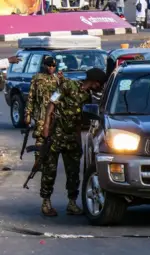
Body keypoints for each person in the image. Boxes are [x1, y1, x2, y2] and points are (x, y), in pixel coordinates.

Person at [39, 68, 107, 217]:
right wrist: (45, 126)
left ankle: (72, 203)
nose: (99, 87)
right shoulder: (68, 85)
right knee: (49, 170)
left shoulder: (87, 97)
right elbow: (52, 103)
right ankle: (46, 202)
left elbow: (80, 122)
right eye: (99, 84)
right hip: (56, 135)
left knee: (73, 173)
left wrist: (78, 140)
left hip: (71, 138)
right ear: (94, 82)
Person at [24, 56, 59, 166]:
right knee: (40, 138)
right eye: (49, 65)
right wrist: (28, 113)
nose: (51, 68)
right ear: (44, 65)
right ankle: (38, 162)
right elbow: (31, 97)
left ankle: (48, 162)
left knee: (52, 139)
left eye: (53, 66)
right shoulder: (37, 79)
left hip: (54, 115)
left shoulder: (57, 79)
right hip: (40, 114)